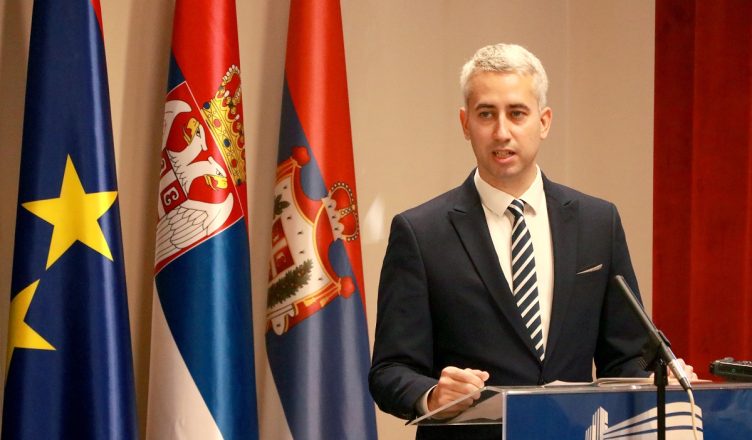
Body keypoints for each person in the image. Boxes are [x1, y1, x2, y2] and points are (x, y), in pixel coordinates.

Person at [368, 43, 694, 440]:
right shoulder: (421, 233)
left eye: (517, 113)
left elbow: (626, 357)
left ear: (544, 121)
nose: (502, 132)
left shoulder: (597, 222)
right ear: (465, 123)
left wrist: (657, 384)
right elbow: (389, 371)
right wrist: (433, 395)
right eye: (486, 114)